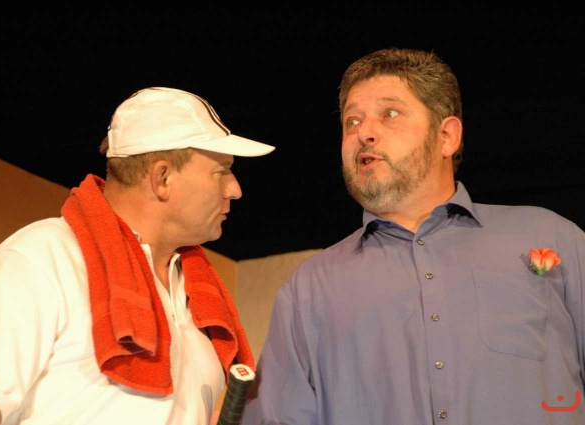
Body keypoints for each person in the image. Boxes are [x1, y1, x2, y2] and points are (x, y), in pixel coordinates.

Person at [241, 48, 585, 425]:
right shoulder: (309, 289)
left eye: (389, 113)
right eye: (351, 121)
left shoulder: (551, 238)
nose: (364, 133)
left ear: (446, 136)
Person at [0, 87, 275, 425]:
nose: (235, 189)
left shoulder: (201, 297)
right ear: (162, 179)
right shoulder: (44, 256)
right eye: (222, 171)